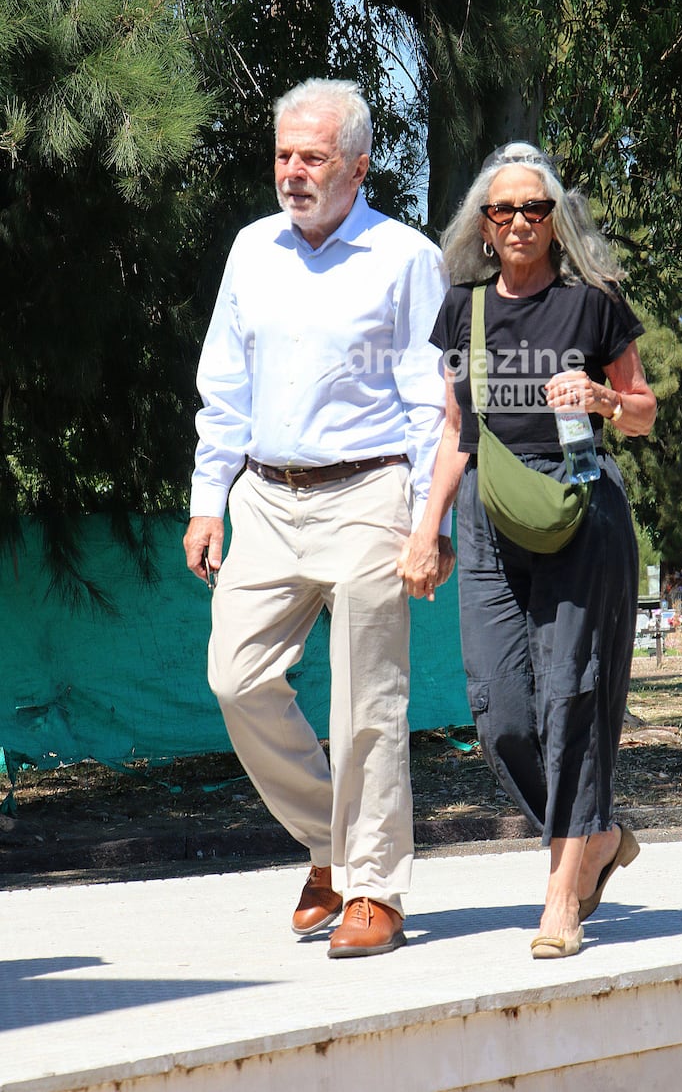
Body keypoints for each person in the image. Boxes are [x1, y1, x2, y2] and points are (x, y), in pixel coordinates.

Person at [183, 78, 454, 958]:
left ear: (358, 166)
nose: (292, 173)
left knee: (366, 697)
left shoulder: (404, 257)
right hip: (264, 495)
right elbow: (223, 387)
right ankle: (331, 848)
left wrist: (427, 523)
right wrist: (206, 499)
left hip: (370, 491)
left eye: (313, 158)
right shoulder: (251, 250)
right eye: (282, 156)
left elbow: (430, 405)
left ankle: (375, 889)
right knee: (236, 677)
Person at [398, 142, 656, 958]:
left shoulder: (593, 305)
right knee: (500, 710)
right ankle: (599, 835)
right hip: (484, 510)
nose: (517, 221)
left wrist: (606, 397)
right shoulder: (462, 309)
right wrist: (425, 525)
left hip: (578, 504)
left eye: (534, 209)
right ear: (483, 223)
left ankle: (560, 894)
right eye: (502, 209)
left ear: (554, 220)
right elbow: (451, 432)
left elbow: (645, 410)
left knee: (571, 696)